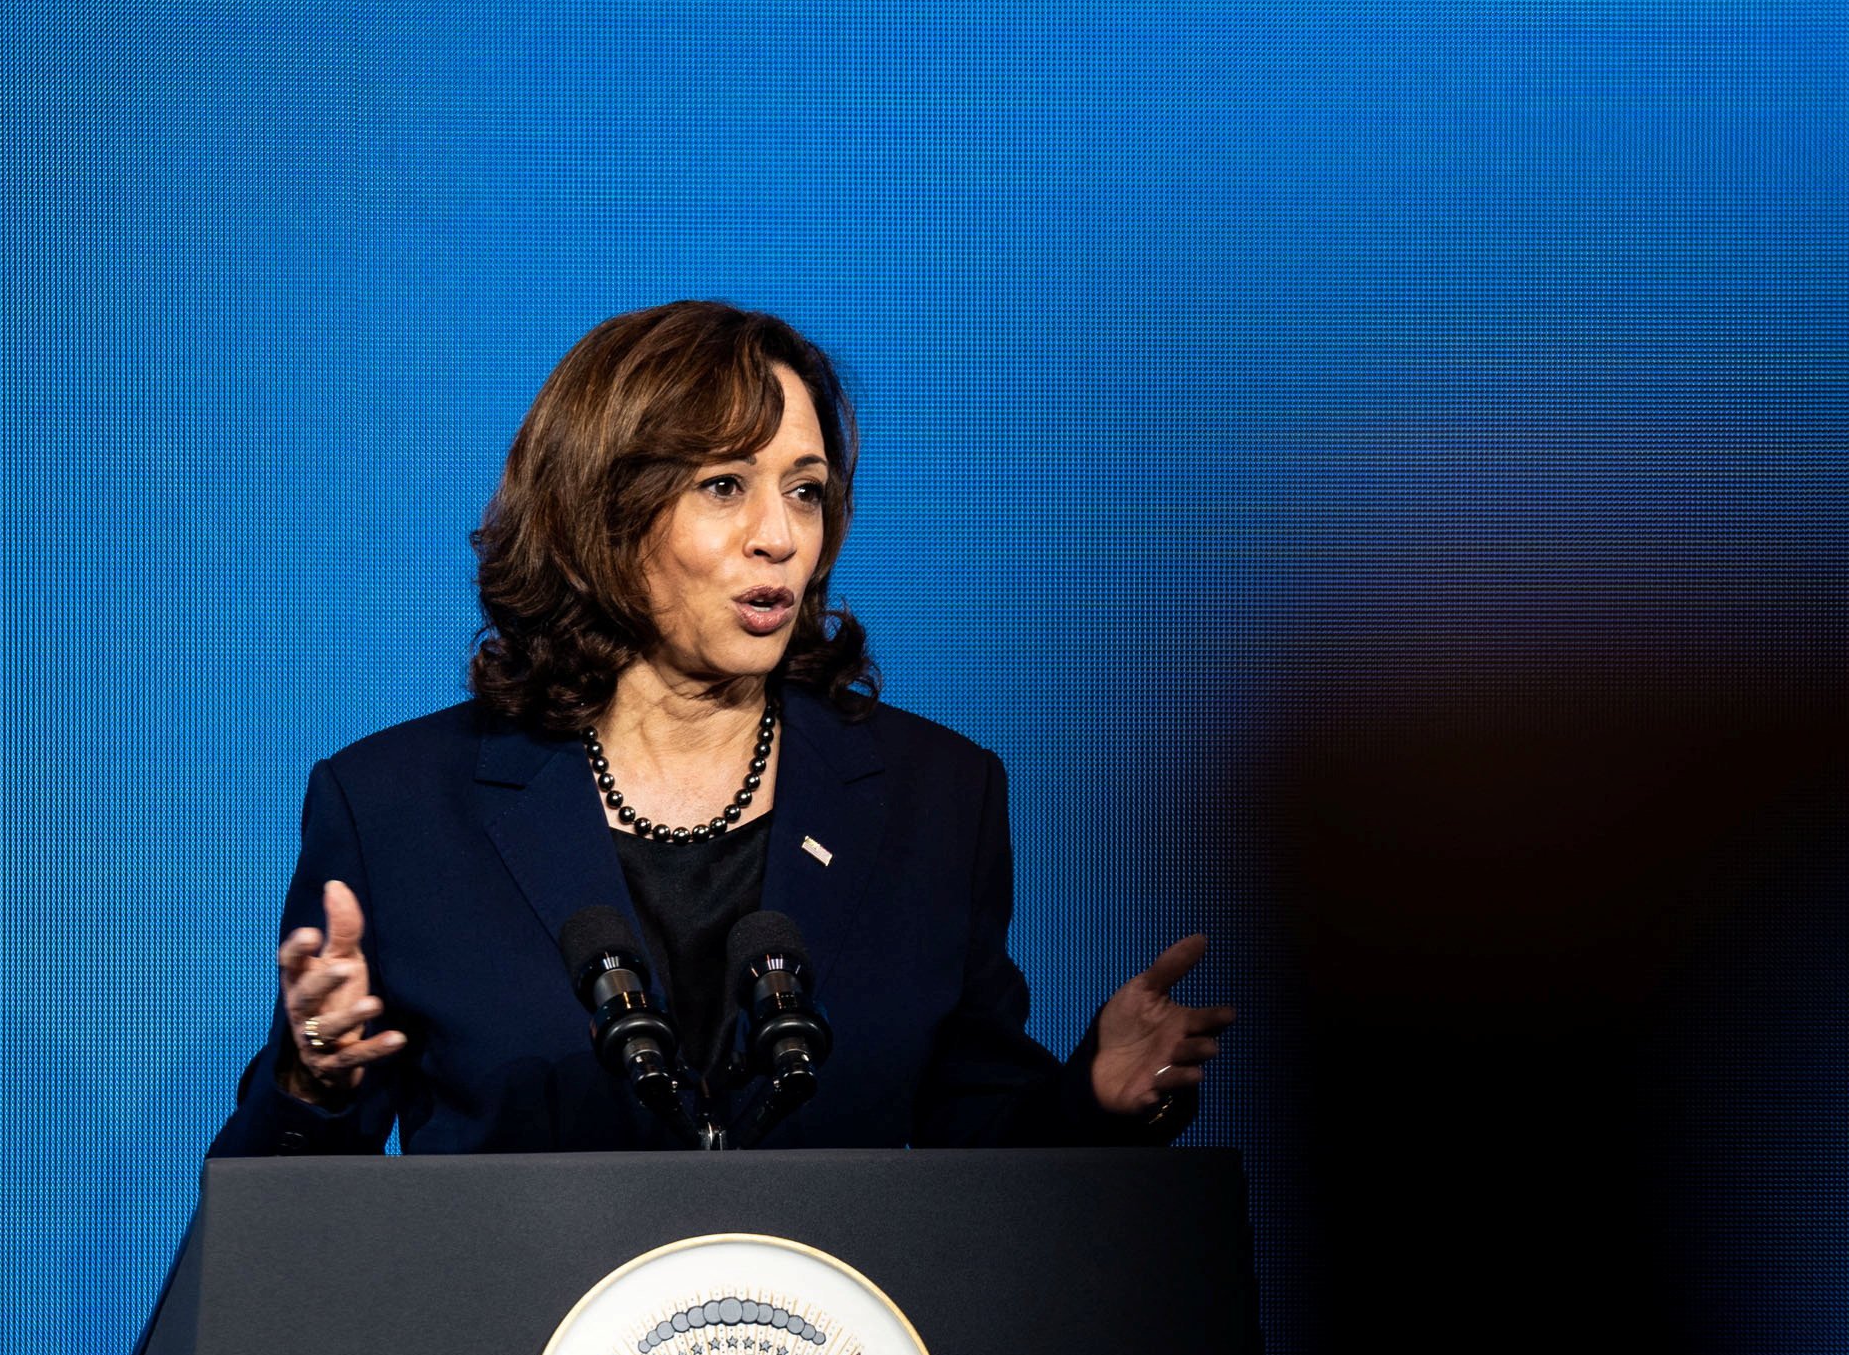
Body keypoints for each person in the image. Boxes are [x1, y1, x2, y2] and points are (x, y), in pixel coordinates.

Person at [206, 301, 1230, 1157]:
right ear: (603, 513)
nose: (779, 537)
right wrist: (313, 1076)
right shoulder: (399, 807)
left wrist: (1091, 1099)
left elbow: (978, 1167)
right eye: (724, 486)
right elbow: (287, 1230)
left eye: (806, 490)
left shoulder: (935, 796)